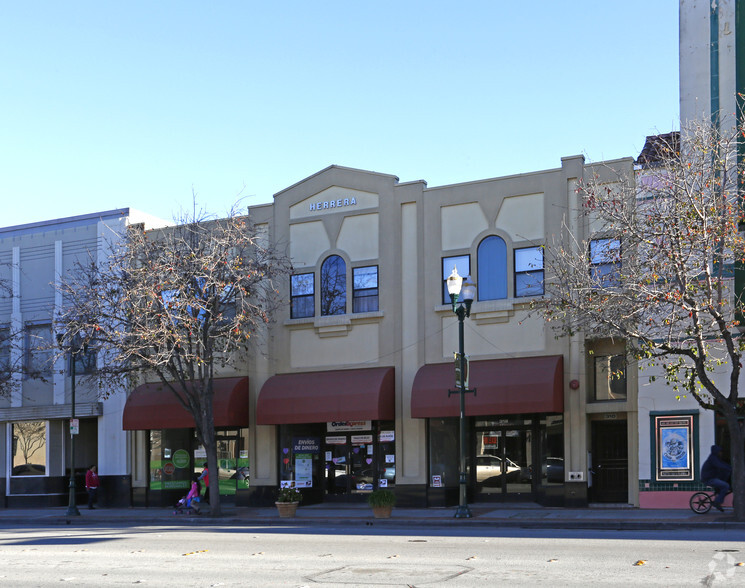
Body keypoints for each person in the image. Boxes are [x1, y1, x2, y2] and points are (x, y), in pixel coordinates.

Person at [701, 444, 731, 512]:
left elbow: (722, 463)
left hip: (712, 477)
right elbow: (720, 465)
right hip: (709, 479)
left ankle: (718, 495)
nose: (721, 453)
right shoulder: (713, 459)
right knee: (726, 486)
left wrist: (730, 467)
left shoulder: (715, 458)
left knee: (724, 481)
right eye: (720, 451)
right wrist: (729, 468)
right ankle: (717, 502)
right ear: (716, 451)